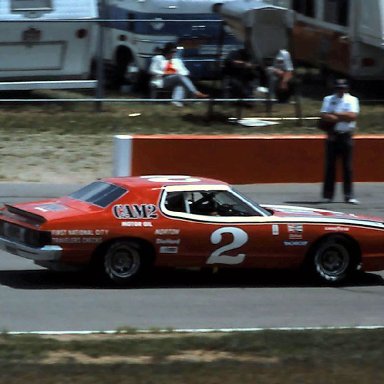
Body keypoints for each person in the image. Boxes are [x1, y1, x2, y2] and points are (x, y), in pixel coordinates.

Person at [319, 78, 360, 204]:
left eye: (342, 88)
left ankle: (349, 195)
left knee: (347, 167)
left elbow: (352, 116)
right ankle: (328, 195)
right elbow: (324, 116)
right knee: (330, 166)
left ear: (346, 88)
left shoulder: (352, 100)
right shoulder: (328, 99)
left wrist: (335, 115)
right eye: (338, 88)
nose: (340, 90)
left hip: (346, 135)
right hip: (333, 135)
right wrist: (343, 116)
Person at [148, 42, 208, 107]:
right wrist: (164, 73)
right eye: (172, 51)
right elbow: (151, 70)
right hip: (162, 80)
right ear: (167, 51)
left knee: (180, 82)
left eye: (175, 52)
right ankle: (194, 93)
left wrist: (176, 73)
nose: (173, 53)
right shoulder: (158, 58)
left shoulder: (177, 60)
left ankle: (176, 102)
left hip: (176, 78)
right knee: (179, 78)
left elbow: (186, 72)